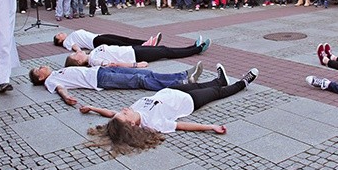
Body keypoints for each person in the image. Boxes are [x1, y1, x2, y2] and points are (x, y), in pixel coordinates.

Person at [82, 65, 259, 156]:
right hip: (188, 102)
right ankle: (242, 83)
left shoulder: (131, 113)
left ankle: (220, 79)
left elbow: (110, 113)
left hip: (171, 91)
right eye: (125, 113)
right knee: (216, 93)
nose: (123, 109)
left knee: (199, 84)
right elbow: (181, 125)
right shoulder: (153, 123)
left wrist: (92, 108)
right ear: (132, 124)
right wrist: (210, 127)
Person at [28, 61, 205, 99]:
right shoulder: (50, 81)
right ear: (41, 77)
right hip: (99, 79)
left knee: (147, 73)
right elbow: (61, 89)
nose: (42, 66)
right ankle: (180, 84)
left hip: (101, 70)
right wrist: (67, 98)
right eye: (39, 69)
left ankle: (182, 75)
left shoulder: (56, 71)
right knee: (138, 80)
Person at [64, 37, 211, 67]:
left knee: (163, 49)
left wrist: (74, 48)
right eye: (76, 55)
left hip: (131, 50)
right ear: (78, 61)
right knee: (165, 51)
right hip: (134, 56)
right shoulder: (93, 61)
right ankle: (197, 49)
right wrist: (136, 65)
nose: (78, 52)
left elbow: (76, 47)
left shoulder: (91, 54)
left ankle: (192, 47)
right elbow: (113, 65)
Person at [53, 29, 162, 51]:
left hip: (98, 35)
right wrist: (81, 54)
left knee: (124, 39)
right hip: (95, 42)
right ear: (60, 41)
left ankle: (145, 42)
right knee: (121, 44)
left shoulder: (69, 37)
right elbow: (75, 47)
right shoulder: (67, 42)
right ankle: (144, 47)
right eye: (59, 35)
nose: (61, 33)